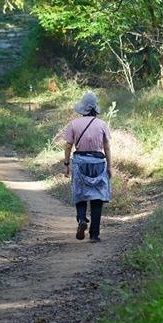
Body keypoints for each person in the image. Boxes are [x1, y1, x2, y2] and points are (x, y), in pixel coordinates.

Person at [62, 91, 112, 243]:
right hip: (98, 163)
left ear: (83, 108)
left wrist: (66, 165)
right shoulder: (102, 124)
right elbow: (107, 147)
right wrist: (109, 167)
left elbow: (68, 146)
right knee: (97, 198)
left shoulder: (74, 124)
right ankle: (95, 235)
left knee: (80, 194)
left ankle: (82, 219)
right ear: (95, 108)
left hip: (80, 162)